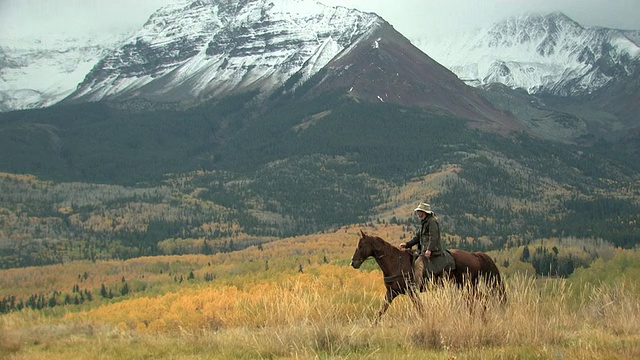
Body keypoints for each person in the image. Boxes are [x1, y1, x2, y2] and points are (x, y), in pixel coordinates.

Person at [400, 202, 444, 286]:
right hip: (423, 250)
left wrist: (429, 249)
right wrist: (407, 244)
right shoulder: (424, 222)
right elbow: (417, 237)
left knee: (418, 264)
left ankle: (416, 285)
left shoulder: (432, 222)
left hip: (433, 250)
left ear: (423, 212)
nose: (417, 213)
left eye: (419, 211)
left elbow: (434, 237)